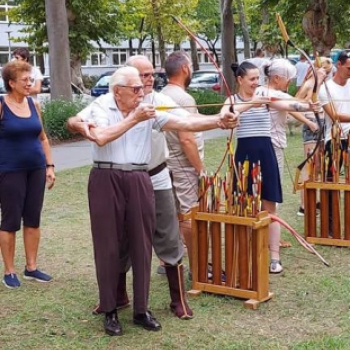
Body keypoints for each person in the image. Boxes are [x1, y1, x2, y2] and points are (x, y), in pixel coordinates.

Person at [66, 65, 238, 336]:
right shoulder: (102, 105)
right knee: (108, 245)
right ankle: (110, 310)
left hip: (139, 177)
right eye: (135, 88)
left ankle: (141, 310)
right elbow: (99, 137)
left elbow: (185, 123)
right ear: (117, 91)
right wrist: (134, 118)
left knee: (143, 243)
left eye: (143, 86)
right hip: (105, 177)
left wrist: (218, 120)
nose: (141, 92)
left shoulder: (147, 106)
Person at [221, 61, 320, 273]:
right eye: (252, 79)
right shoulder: (234, 100)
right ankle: (246, 251)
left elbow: (288, 105)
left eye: (258, 79)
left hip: (266, 154)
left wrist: (308, 106)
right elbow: (227, 114)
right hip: (244, 156)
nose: (257, 83)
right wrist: (252, 103)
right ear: (240, 80)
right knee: (245, 206)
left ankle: (274, 257)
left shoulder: (266, 97)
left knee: (270, 207)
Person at [0, 60, 55, 289]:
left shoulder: (33, 105)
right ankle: (9, 271)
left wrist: (50, 166)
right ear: (11, 83)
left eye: (30, 78)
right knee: (10, 221)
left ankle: (31, 267)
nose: (30, 82)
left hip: (36, 169)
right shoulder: (2, 105)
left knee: (33, 218)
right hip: (9, 170)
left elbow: (42, 138)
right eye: (25, 79)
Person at [261, 58, 320, 247]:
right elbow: (298, 103)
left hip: (264, 146)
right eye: (289, 79)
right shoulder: (271, 93)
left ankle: (269, 233)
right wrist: (313, 81)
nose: (290, 83)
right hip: (270, 147)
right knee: (271, 191)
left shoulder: (263, 91)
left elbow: (293, 104)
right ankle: (272, 237)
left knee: (263, 190)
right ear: (277, 78)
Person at [161, 51, 204, 274]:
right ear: (185, 69)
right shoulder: (184, 98)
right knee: (188, 214)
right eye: (191, 66)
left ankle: (168, 261)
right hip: (183, 165)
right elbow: (187, 139)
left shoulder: (161, 94)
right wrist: (201, 170)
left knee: (173, 214)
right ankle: (198, 266)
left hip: (167, 163)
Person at [318, 51, 350, 235]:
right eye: (348, 67)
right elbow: (335, 116)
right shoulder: (325, 89)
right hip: (335, 140)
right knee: (331, 183)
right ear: (339, 65)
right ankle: (331, 226)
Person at [295, 57, 331, 216]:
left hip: (324, 125)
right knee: (309, 168)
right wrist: (309, 123)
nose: (326, 74)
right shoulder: (309, 84)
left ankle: (313, 201)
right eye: (325, 71)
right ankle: (303, 206)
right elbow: (293, 107)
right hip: (312, 125)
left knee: (317, 169)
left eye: (328, 72)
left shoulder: (324, 85)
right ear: (317, 69)